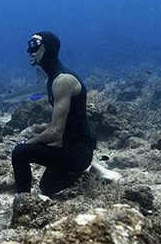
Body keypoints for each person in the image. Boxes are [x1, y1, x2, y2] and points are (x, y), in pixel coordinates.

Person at [11, 31, 121, 196]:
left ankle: (23, 202)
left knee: (19, 152)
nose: (29, 51)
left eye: (34, 46)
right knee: (47, 187)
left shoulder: (64, 80)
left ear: (47, 49)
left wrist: (28, 143)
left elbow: (56, 132)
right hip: (71, 146)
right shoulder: (51, 80)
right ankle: (93, 172)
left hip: (77, 152)